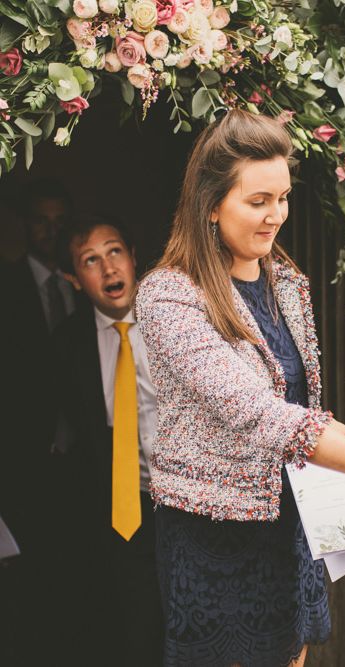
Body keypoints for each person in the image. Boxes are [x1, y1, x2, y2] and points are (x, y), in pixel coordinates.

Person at [134, 109, 345, 667]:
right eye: (257, 201)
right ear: (211, 203)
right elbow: (260, 415)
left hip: (290, 528)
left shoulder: (286, 283)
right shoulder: (170, 298)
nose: (275, 216)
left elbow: (304, 409)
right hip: (216, 539)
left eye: (283, 198)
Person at [52, 214, 163, 665]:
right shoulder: (67, 344)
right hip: (122, 512)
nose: (108, 269)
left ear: (134, 258)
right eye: (90, 260)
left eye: (115, 251)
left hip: (188, 500)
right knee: (135, 630)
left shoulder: (172, 324)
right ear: (73, 279)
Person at [0, 179, 76, 666]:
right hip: (19, 455)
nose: (48, 232)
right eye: (39, 221)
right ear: (25, 224)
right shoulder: (4, 285)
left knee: (72, 569)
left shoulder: (82, 285)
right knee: (21, 574)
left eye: (57, 222)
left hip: (79, 459)